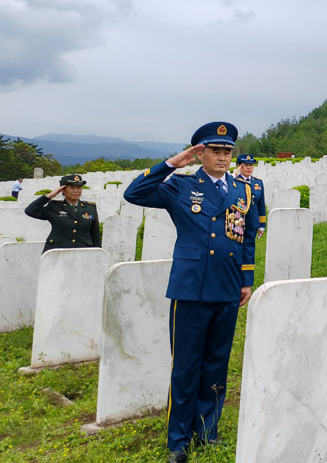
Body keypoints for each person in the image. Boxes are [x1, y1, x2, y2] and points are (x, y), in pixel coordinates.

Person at [123, 122, 257, 463]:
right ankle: (178, 440)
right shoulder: (181, 186)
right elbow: (134, 193)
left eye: (228, 151)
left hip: (227, 286)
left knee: (216, 363)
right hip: (192, 286)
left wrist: (246, 278)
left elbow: (248, 234)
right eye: (215, 150)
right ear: (200, 153)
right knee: (185, 366)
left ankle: (207, 430)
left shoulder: (243, 190)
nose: (224, 157)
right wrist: (171, 164)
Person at [24, 175, 100, 253]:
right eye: (71, 187)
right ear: (63, 190)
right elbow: (30, 211)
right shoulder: (54, 207)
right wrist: (49, 196)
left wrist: (97, 255)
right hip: (58, 253)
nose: (76, 191)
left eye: (78, 187)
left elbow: (95, 236)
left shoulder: (90, 208)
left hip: (83, 253)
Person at [234, 154, 266, 238]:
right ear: (239, 166)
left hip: (253, 221)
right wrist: (234, 176)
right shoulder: (234, 182)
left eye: (251, 165)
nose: (249, 168)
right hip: (238, 221)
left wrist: (262, 225)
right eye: (246, 165)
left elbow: (261, 204)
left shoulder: (258, 183)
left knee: (250, 249)